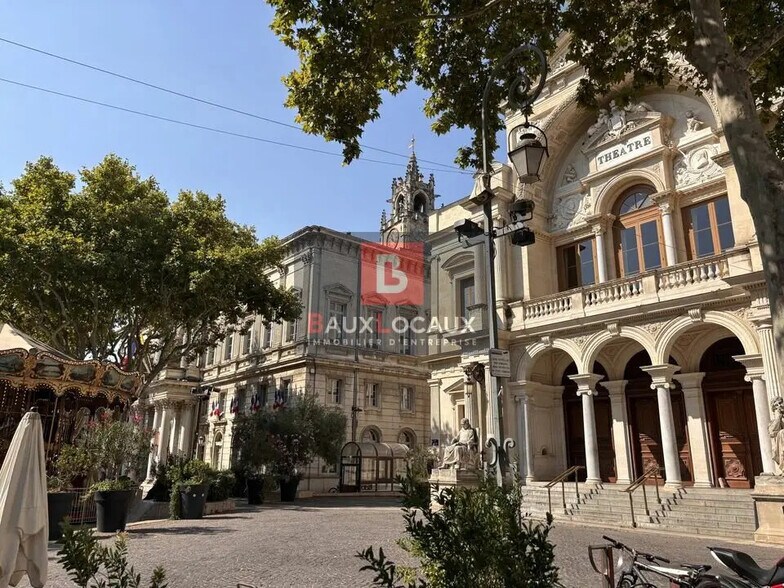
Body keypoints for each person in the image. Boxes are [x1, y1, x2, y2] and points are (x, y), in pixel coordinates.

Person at [769, 397, 784, 474]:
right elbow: (772, 432)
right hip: (780, 443)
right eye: (776, 405)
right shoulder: (774, 421)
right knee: (781, 433)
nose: (779, 406)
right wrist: (779, 417)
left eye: (780, 403)